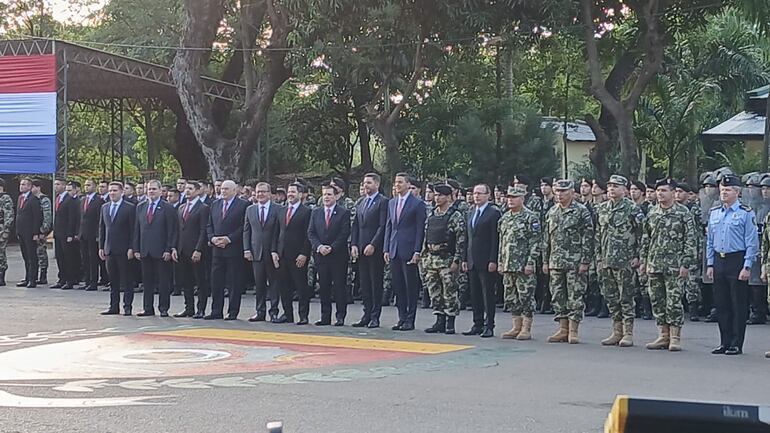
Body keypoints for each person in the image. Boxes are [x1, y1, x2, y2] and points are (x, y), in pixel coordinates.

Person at [640, 178, 697, 352]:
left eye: (664, 190)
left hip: (675, 265)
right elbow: (646, 238)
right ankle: (663, 335)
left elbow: (690, 239)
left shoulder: (683, 213)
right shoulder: (652, 212)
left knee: (673, 302)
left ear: (673, 192)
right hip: (655, 263)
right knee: (657, 300)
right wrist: (643, 260)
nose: (660, 194)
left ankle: (675, 337)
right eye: (658, 191)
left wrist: (686, 263)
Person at [706, 175, 758, 356]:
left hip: (737, 260)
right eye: (722, 190)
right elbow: (710, 241)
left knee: (738, 304)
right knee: (722, 304)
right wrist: (710, 263)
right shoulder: (715, 212)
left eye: (728, 190)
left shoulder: (745, 213)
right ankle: (724, 341)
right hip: (719, 260)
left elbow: (752, 241)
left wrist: (747, 266)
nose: (724, 193)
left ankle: (736, 343)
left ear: (737, 192)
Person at [595, 175, 644, 347]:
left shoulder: (632, 208)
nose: (611, 189)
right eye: (609, 186)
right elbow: (598, 236)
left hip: (625, 260)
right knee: (611, 297)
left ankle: (628, 333)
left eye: (616, 186)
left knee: (626, 297)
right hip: (607, 259)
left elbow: (641, 234)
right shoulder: (602, 209)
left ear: (624, 189)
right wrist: (599, 257)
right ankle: (617, 331)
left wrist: (638, 256)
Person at [543, 179, 594, 344]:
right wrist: (545, 261)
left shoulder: (581, 211)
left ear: (572, 192)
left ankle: (573, 330)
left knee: (575, 296)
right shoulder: (552, 212)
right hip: (556, 261)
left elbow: (588, 237)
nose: (559, 194)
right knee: (558, 295)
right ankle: (562, 329)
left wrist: (585, 261)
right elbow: (546, 239)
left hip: (575, 262)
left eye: (563, 191)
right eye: (557, 191)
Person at [384, 173, 427, 331]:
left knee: (410, 286)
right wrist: (386, 248)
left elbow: (419, 229)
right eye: (396, 182)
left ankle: (410, 319)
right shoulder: (392, 203)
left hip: (409, 248)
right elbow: (389, 226)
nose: (397, 185)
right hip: (394, 248)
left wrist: (417, 250)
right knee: (398, 286)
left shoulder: (417, 204)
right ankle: (401, 317)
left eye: (400, 182)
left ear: (408, 184)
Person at [422, 184, 466, 335]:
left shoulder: (455, 216)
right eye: (436, 195)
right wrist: (424, 257)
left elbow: (461, 240)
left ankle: (450, 322)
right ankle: (439, 320)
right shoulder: (432, 214)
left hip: (447, 259)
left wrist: (457, 260)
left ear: (448, 197)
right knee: (434, 291)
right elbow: (426, 237)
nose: (437, 198)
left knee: (450, 291)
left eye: (440, 195)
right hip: (432, 259)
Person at [498, 185, 541, 340]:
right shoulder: (505, 217)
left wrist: (531, 262)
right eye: (508, 197)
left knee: (526, 297)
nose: (510, 200)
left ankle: (526, 328)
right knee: (511, 297)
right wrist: (500, 261)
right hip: (509, 264)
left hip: (523, 265)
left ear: (522, 199)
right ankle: (516, 326)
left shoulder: (531, 217)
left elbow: (536, 242)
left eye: (514, 197)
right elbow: (502, 242)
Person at [308, 185, 351, 326]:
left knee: (339, 287)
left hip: (338, 256)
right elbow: (311, 232)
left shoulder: (343, 212)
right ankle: (325, 317)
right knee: (324, 287)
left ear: (336, 196)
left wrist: (332, 247)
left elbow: (344, 233)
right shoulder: (316, 212)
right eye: (324, 194)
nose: (326, 197)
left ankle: (340, 316)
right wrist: (319, 246)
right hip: (321, 256)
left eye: (329, 194)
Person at [462, 184, 502, 338]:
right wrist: (465, 258)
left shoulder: (493, 213)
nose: (476, 196)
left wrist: (493, 259)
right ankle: (477, 323)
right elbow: (467, 237)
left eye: (480, 193)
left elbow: (495, 239)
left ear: (488, 195)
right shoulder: (471, 211)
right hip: (472, 259)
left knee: (488, 294)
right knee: (475, 294)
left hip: (486, 260)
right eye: (474, 193)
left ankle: (489, 325)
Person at [206, 180, 249, 320]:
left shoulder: (243, 205)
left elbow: (244, 227)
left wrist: (228, 239)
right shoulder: (215, 204)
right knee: (216, 281)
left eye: (226, 189)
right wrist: (213, 239)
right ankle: (216, 311)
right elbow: (209, 225)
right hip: (217, 250)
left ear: (234, 191)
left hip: (233, 249)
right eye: (222, 188)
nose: (222, 191)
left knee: (234, 282)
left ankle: (232, 311)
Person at [133, 180, 177, 317]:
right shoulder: (141, 207)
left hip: (161, 251)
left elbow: (172, 230)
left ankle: (163, 308)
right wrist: (136, 248)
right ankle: (148, 308)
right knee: (147, 281)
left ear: (159, 191)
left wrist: (168, 248)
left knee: (163, 281)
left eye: (153, 189)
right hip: (145, 250)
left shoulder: (168, 207)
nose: (151, 191)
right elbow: (137, 229)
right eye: (149, 189)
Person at [351, 173, 389, 328]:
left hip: (375, 249)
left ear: (377, 184)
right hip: (360, 248)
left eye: (369, 183)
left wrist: (373, 244)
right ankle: (366, 314)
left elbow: (382, 226)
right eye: (364, 183)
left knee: (375, 283)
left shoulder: (383, 202)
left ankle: (375, 316)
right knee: (364, 284)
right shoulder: (360, 202)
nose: (365, 185)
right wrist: (354, 244)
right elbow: (355, 225)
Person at [244, 182, 283, 322]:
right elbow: (246, 230)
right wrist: (246, 249)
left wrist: (277, 251)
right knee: (259, 284)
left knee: (274, 283)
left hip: (272, 253)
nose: (260, 194)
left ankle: (274, 312)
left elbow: (280, 232)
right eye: (258, 192)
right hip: (256, 252)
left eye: (263, 192)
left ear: (270, 193)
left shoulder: (278, 209)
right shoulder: (250, 209)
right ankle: (260, 312)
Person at [172, 181, 210, 318]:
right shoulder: (181, 208)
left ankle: (201, 309)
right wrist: (174, 248)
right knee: (185, 281)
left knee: (200, 281)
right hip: (182, 249)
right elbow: (177, 230)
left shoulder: (203, 208)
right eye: (186, 189)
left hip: (195, 250)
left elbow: (203, 230)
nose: (187, 191)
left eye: (190, 189)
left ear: (198, 191)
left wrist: (198, 249)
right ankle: (189, 308)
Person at [275, 183, 312, 324]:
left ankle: (303, 315)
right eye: (289, 191)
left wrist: (304, 253)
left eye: (293, 192)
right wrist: (274, 251)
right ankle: (287, 314)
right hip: (282, 255)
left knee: (301, 287)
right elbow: (276, 232)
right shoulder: (281, 210)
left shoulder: (306, 211)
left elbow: (308, 235)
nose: (290, 194)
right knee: (284, 287)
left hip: (298, 256)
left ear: (300, 194)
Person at [99, 182, 136, 315]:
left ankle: (127, 306)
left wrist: (132, 247)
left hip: (124, 250)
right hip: (109, 249)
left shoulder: (130, 208)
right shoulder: (104, 207)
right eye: (110, 191)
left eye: (115, 190)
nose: (112, 193)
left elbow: (133, 230)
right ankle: (114, 306)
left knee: (126, 280)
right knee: (113, 280)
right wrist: (101, 246)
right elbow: (102, 228)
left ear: (121, 192)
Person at [52, 179, 80, 290]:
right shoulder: (58, 198)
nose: (56, 187)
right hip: (58, 233)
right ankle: (61, 278)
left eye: (58, 184)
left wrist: (70, 234)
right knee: (60, 257)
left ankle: (70, 279)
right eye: (55, 184)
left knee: (68, 257)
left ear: (63, 186)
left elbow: (72, 218)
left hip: (66, 233)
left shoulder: (71, 199)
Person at [79, 179, 104, 291]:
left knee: (93, 259)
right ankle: (87, 280)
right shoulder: (83, 199)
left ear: (95, 186)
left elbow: (100, 219)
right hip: (83, 234)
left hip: (93, 234)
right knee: (85, 259)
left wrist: (98, 234)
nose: (86, 187)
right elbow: (80, 218)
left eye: (89, 185)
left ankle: (94, 282)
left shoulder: (99, 201)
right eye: (85, 185)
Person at [30, 179, 52, 286]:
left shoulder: (44, 199)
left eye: (33, 187)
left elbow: (47, 216)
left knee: (41, 253)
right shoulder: (33, 199)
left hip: (40, 231)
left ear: (38, 187)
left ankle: (43, 275)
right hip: (33, 231)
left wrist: (44, 230)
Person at [0, 178, 13, 286]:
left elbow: (8, 215)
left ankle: (1, 276)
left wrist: (6, 230)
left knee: (1, 253)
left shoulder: (5, 198)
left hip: (1, 228)